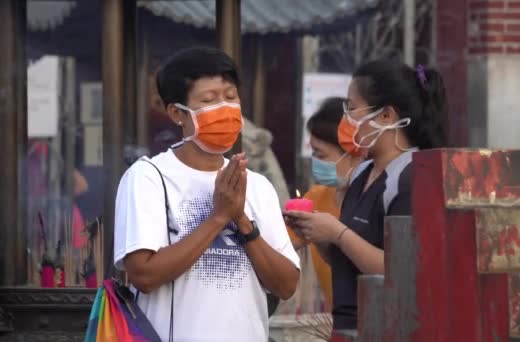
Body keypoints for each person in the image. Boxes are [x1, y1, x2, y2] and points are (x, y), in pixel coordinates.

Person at [113, 46, 300, 341]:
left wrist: (243, 222)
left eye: (230, 96)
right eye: (209, 100)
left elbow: (286, 285)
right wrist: (218, 218)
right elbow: (143, 275)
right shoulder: (149, 177)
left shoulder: (256, 185)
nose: (224, 108)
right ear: (177, 113)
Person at [286, 61, 447, 330]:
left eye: (351, 108)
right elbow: (348, 260)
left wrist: (337, 232)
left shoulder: (413, 175)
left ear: (386, 116)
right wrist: (319, 235)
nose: (346, 120)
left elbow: (398, 269)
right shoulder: (361, 173)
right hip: (349, 325)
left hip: (390, 328)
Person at [288, 97, 361, 311]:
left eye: (321, 155)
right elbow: (282, 247)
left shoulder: (374, 202)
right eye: (313, 153)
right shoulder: (316, 199)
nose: (316, 162)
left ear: (354, 155)